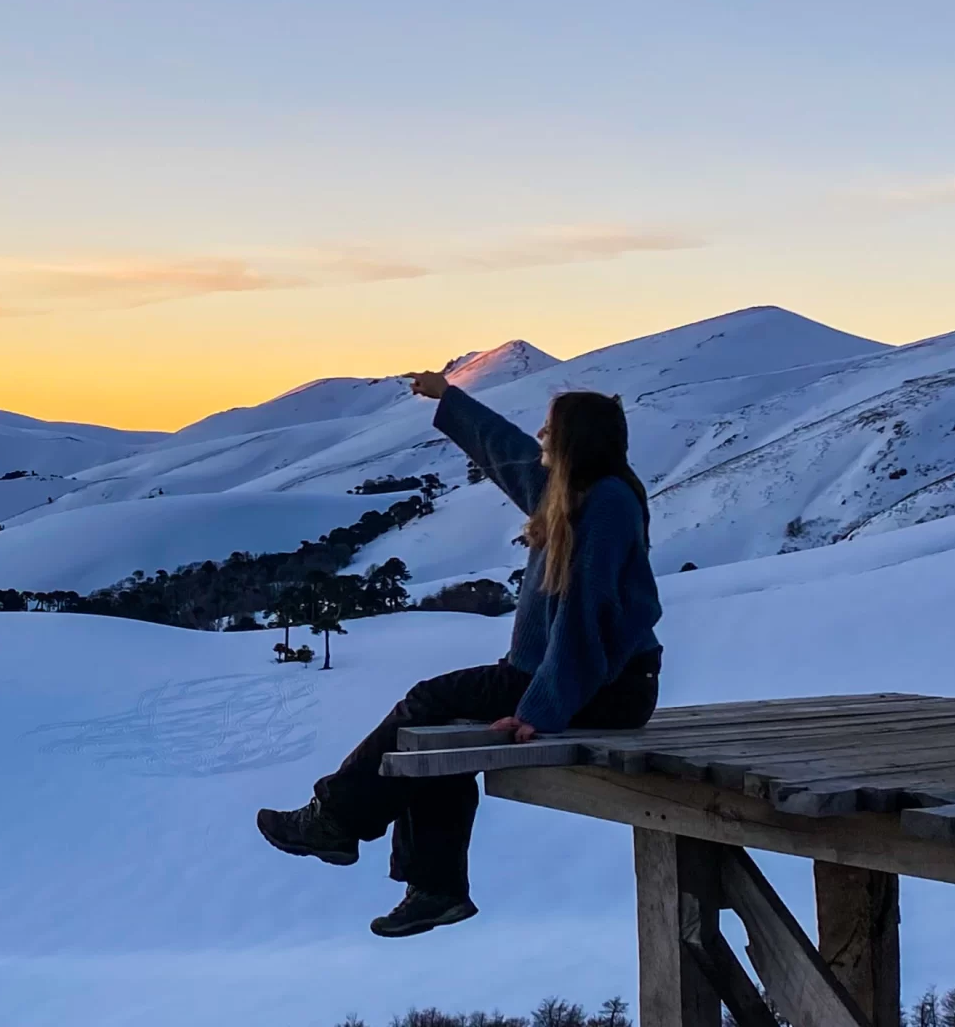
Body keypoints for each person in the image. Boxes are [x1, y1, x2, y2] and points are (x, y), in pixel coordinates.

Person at [256, 372, 665, 937]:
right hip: (570, 680)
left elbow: (585, 620)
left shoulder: (606, 506)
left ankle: (337, 821)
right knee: (439, 727)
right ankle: (433, 888)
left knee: (428, 701)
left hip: (602, 688)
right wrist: (449, 398)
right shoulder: (574, 494)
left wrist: (543, 710)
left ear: (574, 441)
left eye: (551, 428)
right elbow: (511, 455)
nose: (541, 434)